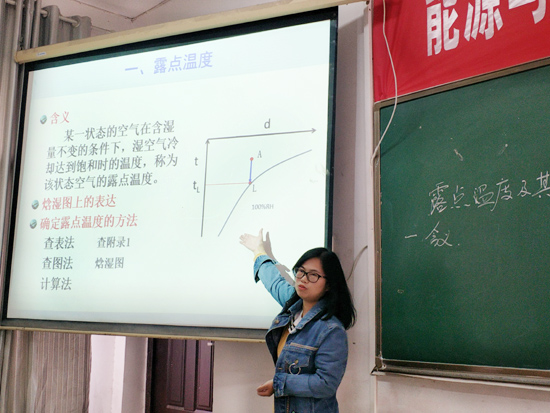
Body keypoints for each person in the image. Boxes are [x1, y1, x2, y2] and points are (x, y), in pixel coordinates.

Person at [240, 229, 356, 413]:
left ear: (329, 285)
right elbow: (274, 281)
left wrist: (279, 383)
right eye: (301, 272)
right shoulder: (294, 305)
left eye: (313, 275)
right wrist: (258, 251)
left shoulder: (331, 330)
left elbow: (325, 384)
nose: (303, 279)